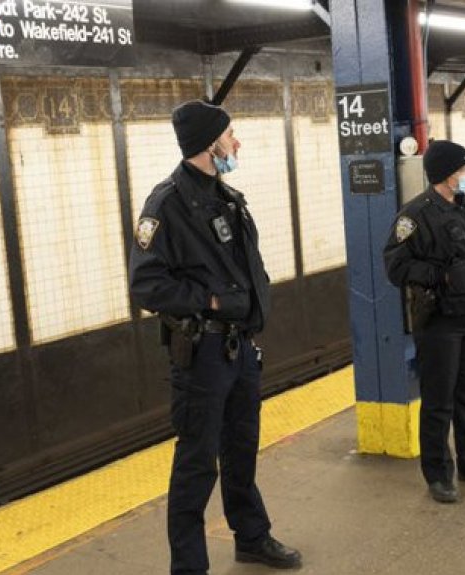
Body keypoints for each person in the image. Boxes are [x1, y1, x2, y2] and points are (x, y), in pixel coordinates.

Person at [129, 100, 301, 575]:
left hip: (239, 348)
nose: (236, 142)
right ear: (210, 145)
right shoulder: (166, 205)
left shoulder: (227, 197)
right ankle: (189, 567)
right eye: (230, 135)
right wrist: (209, 301)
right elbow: (146, 284)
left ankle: (252, 537)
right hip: (203, 353)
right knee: (197, 462)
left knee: (241, 449)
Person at [383, 140, 465, 504]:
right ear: (445, 175)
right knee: (439, 401)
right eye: (462, 169)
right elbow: (395, 264)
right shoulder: (416, 215)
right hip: (441, 321)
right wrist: (441, 276)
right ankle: (438, 474)